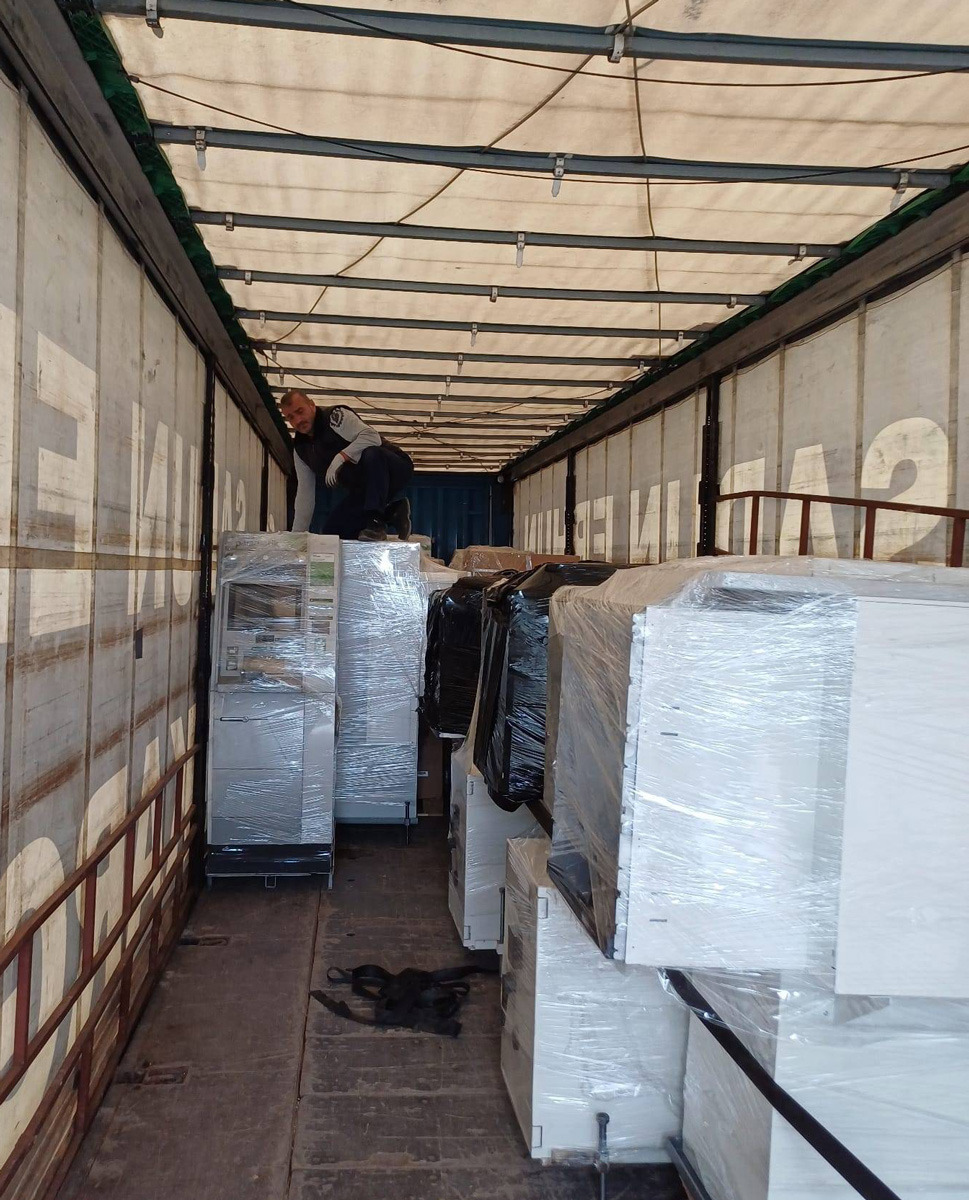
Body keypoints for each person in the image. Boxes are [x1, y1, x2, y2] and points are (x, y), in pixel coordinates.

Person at [280, 390, 414, 541]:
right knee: (333, 533)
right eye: (291, 417)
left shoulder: (335, 416)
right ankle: (393, 512)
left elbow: (372, 437)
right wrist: (297, 537)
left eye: (300, 411)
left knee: (372, 453)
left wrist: (341, 456)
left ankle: (375, 523)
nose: (298, 420)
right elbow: (305, 494)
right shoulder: (300, 449)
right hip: (366, 488)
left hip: (393, 468)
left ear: (312, 405)